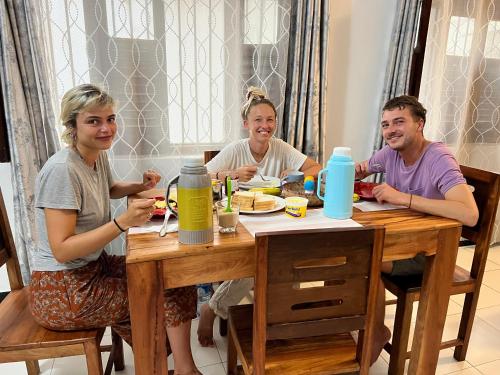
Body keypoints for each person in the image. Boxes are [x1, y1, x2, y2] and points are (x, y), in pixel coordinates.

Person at [29, 84, 202, 375]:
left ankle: (182, 367)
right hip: (63, 288)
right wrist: (122, 223)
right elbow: (62, 249)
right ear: (72, 126)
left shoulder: (95, 155)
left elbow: (109, 188)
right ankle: (164, 367)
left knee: (176, 276)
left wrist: (140, 186)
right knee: (155, 298)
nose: (106, 128)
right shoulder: (62, 170)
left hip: (93, 268)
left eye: (110, 119)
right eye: (93, 121)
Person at [355, 95, 478, 364]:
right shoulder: (390, 153)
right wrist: (352, 170)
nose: (391, 130)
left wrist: (403, 198)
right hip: (400, 240)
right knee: (349, 249)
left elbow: (469, 214)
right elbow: (363, 169)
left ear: (419, 124)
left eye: (399, 122)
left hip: (430, 254)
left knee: (363, 259)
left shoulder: (438, 157)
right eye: (386, 125)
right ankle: (349, 323)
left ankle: (376, 332)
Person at [197, 87, 322, 346]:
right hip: (240, 219)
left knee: (290, 255)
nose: (265, 126)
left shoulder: (280, 147)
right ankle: (213, 308)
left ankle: (282, 314)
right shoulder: (236, 149)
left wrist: (296, 172)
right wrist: (229, 175)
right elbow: (197, 176)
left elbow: (316, 167)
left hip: (277, 215)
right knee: (257, 261)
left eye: (270, 120)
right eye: (258, 120)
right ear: (246, 124)